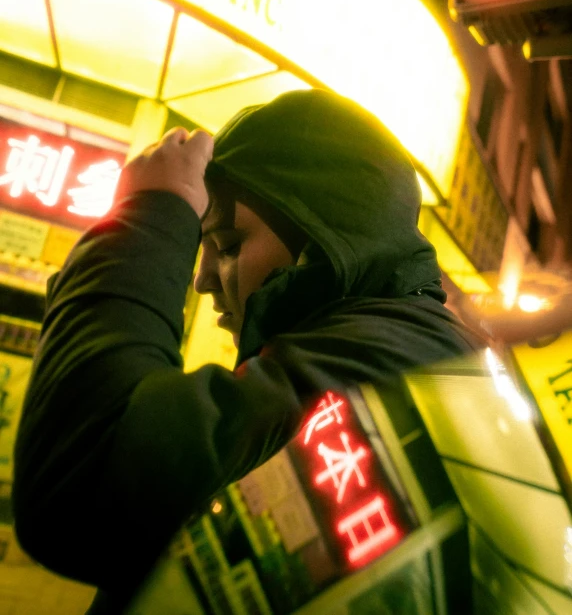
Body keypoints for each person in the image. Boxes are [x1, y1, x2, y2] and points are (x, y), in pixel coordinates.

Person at [12, 89, 482, 613]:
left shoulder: (378, 362)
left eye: (231, 245)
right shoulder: (406, 342)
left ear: (326, 239)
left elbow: (82, 487)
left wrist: (146, 216)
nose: (203, 279)